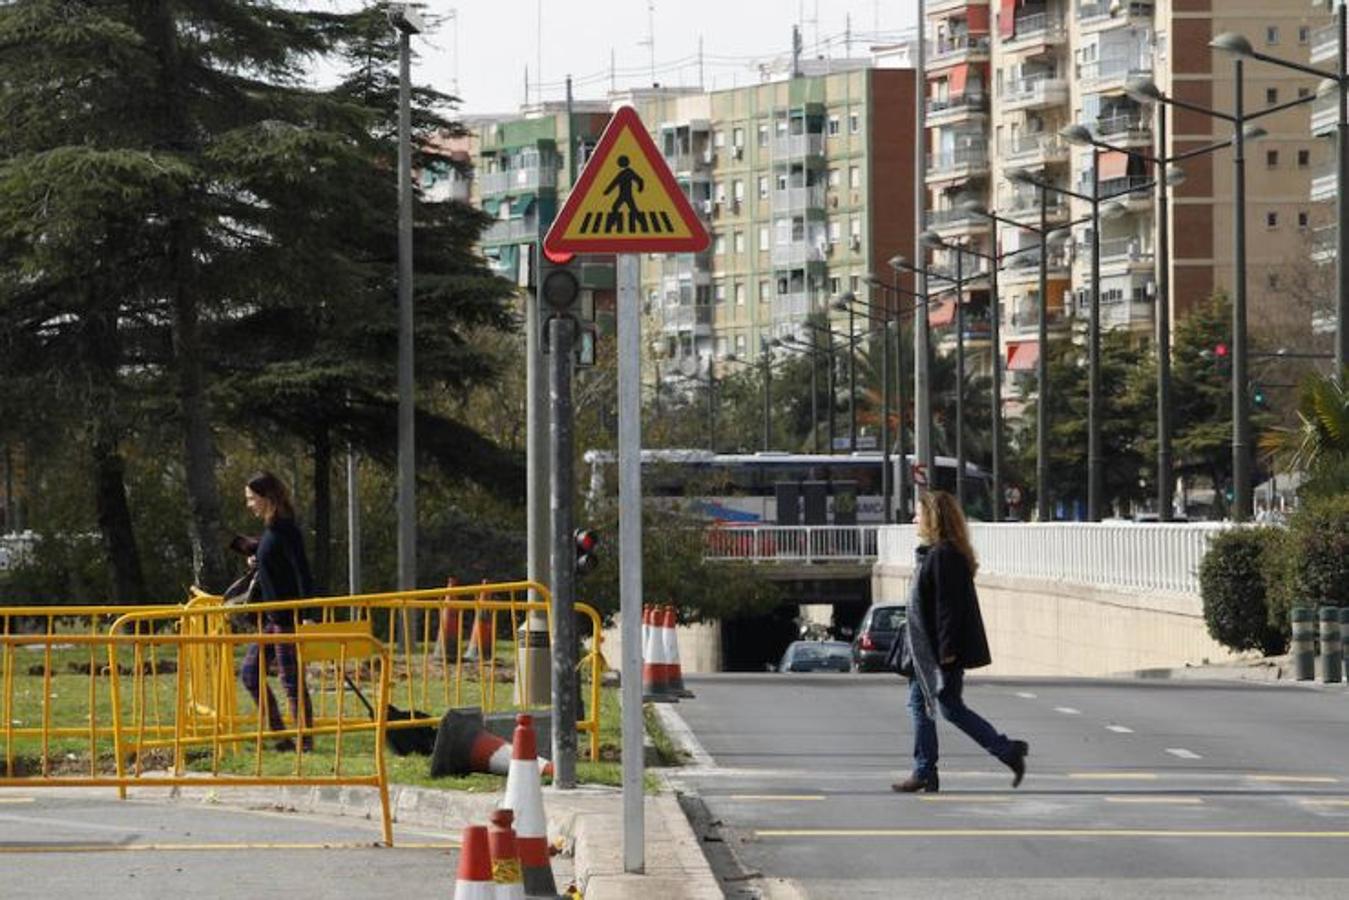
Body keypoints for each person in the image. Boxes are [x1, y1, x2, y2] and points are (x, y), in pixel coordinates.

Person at [889, 490, 1028, 793]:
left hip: (937, 653)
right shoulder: (938, 553)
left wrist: (947, 653)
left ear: (933, 518)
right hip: (931, 650)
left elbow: (947, 608)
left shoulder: (944, 556)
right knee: (948, 708)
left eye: (918, 513)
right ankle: (1005, 751)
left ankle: (926, 770)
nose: (914, 519)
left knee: (923, 705)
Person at [240, 471, 315, 751]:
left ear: (266, 497)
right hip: (272, 618)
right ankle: (280, 735)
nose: (249, 504)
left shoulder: (286, 529)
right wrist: (256, 559)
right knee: (249, 673)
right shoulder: (271, 529)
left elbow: (302, 572)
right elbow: (275, 563)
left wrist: (307, 613)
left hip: (287, 618)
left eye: (251, 498)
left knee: (291, 681)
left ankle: (304, 742)